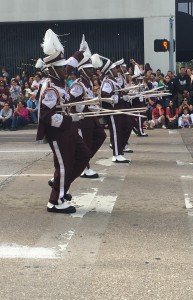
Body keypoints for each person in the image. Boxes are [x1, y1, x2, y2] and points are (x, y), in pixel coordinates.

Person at [37, 29, 91, 214]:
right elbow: (46, 116)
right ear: (52, 69)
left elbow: (69, 64)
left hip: (69, 129)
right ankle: (55, 201)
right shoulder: (51, 88)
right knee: (64, 164)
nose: (65, 70)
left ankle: (61, 185)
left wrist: (80, 52)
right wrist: (70, 119)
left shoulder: (58, 75)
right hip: (59, 132)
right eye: (61, 67)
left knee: (84, 155)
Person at [68, 39, 106, 178]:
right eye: (89, 69)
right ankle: (84, 167)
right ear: (82, 70)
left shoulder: (88, 83)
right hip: (83, 120)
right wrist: (84, 106)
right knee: (86, 143)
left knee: (101, 136)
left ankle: (84, 162)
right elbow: (72, 103)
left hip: (91, 118)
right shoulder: (78, 85)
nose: (92, 71)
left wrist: (95, 106)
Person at [92, 53, 131, 163]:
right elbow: (104, 96)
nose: (116, 70)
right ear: (109, 71)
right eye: (113, 69)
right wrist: (116, 98)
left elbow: (118, 93)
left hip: (119, 109)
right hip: (113, 111)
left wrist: (124, 96)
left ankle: (120, 150)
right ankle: (116, 154)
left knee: (125, 127)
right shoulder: (108, 81)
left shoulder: (113, 80)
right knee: (115, 131)